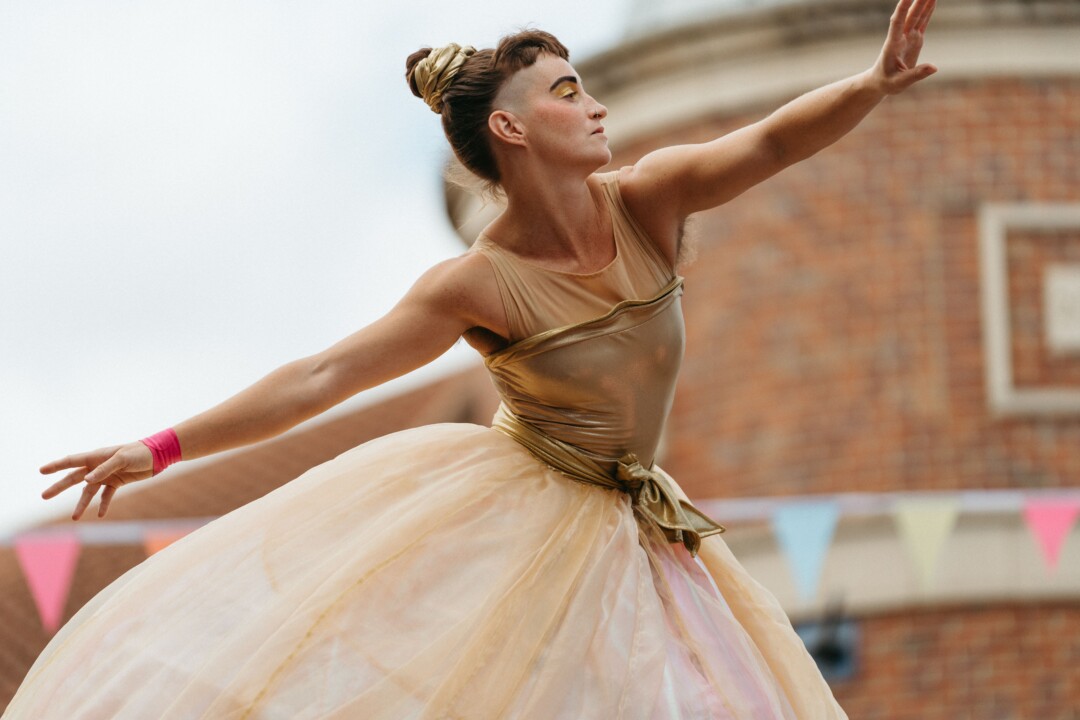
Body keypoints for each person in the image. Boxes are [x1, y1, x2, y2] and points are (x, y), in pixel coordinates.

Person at [8, 0, 936, 717]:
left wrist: (871, 82)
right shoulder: (475, 284)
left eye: (584, 85)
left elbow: (769, 141)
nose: (594, 104)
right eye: (565, 91)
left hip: (636, 519)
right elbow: (321, 378)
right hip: (519, 519)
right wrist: (160, 448)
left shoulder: (647, 199)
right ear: (512, 129)